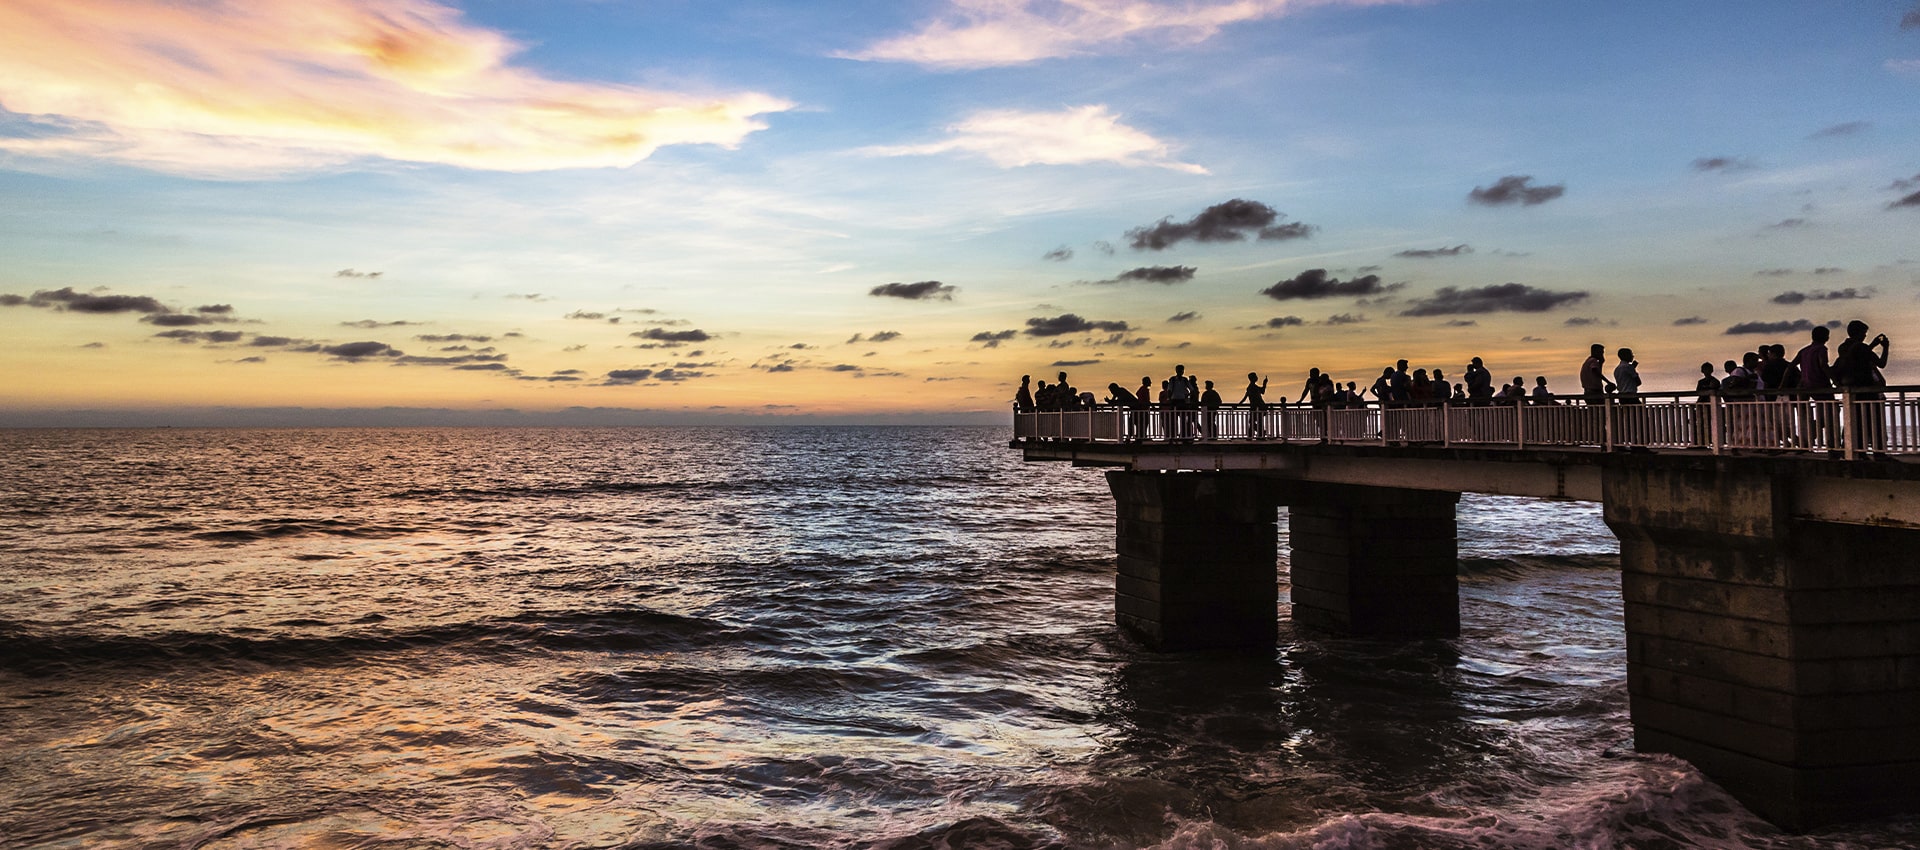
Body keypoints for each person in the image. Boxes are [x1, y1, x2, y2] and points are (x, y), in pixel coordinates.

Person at [1834, 320, 1891, 455]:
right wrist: (1885, 347)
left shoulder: (1843, 347)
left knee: (1854, 422)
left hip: (1851, 389)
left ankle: (1855, 451)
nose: (1865, 336)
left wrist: (1871, 345)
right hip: (1867, 389)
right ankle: (1879, 453)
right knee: (1873, 422)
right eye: (1864, 333)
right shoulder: (1862, 347)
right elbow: (1881, 363)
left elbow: (1856, 355)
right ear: (1859, 333)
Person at [1795, 326, 1836, 450]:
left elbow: (1790, 366)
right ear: (1823, 337)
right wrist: (1835, 380)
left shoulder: (1804, 351)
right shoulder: (1821, 349)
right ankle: (1831, 446)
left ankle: (1810, 435)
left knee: (1812, 413)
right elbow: (1823, 365)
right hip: (1821, 385)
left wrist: (1784, 385)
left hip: (1806, 386)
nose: (1828, 338)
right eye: (1827, 335)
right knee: (1831, 413)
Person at [1241, 372, 1269, 439]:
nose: (1257, 377)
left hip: (1256, 407)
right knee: (1256, 421)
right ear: (1253, 378)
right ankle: (1260, 433)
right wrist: (1264, 384)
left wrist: (1264, 383)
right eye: (1255, 376)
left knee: (1253, 421)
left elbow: (1262, 392)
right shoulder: (1252, 387)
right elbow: (1262, 391)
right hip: (1258, 407)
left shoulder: (1251, 387)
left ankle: (1257, 434)